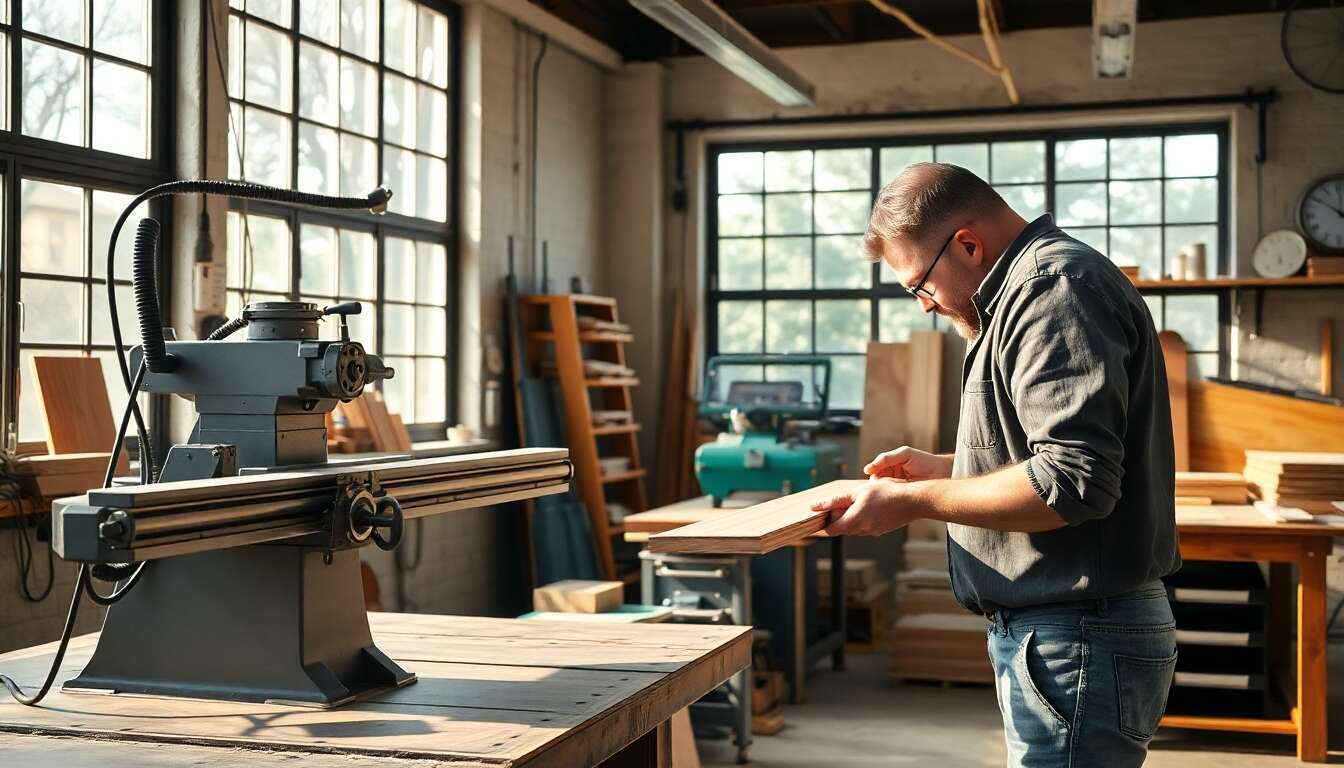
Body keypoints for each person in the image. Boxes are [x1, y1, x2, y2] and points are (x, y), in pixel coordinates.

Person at [812, 162, 1181, 767]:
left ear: (967, 244)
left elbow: (1073, 481)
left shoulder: (1052, 289)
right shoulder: (1024, 294)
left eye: (919, 285)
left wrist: (913, 503)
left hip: (1079, 631)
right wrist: (945, 468)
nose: (925, 305)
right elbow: (1042, 451)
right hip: (1065, 631)